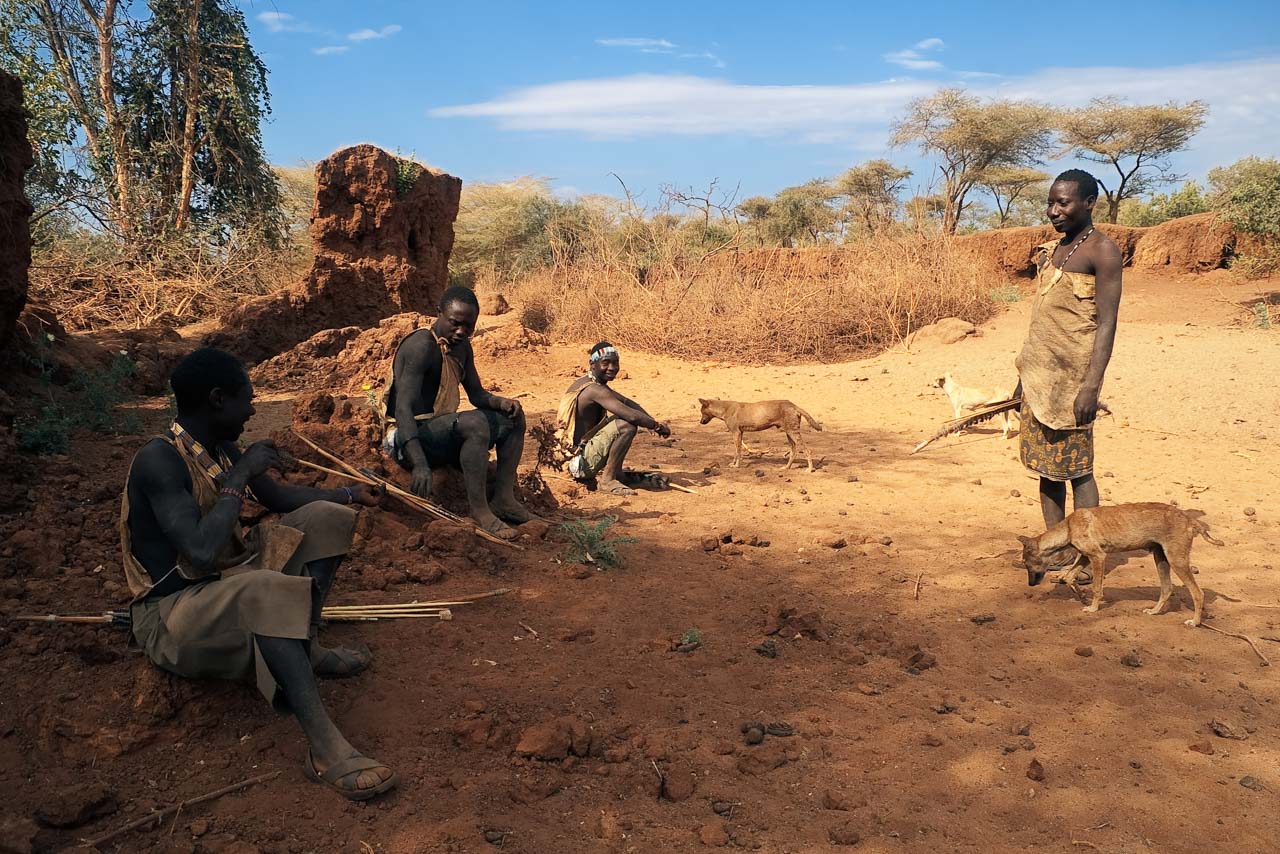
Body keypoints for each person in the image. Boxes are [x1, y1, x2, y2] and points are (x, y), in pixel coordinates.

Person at [120, 347, 396, 800]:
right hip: (173, 616)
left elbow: (280, 499)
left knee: (326, 519)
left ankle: (304, 649)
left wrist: (348, 492)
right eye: (247, 399)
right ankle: (326, 752)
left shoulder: (220, 446)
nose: (253, 408)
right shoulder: (160, 460)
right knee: (264, 588)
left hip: (225, 587)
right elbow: (203, 551)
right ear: (216, 400)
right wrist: (242, 473)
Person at [1013, 169, 1123, 580]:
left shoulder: (1103, 252)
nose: (1054, 211)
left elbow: (1107, 324)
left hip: (1073, 384)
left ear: (1090, 202)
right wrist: (1024, 378)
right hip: (1039, 381)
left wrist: (1091, 387)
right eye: (1051, 202)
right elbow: (1042, 324)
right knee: (1047, 470)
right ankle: (1055, 547)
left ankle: (1087, 556)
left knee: (1078, 472)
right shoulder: (1055, 250)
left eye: (1064, 203)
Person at [381, 286, 531, 539]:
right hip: (407, 439)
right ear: (438, 313)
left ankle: (504, 499)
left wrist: (502, 402)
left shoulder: (461, 347)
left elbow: (477, 394)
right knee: (474, 422)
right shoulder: (421, 346)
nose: (462, 331)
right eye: (455, 323)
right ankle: (480, 511)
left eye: (469, 326)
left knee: (514, 417)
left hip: (439, 431)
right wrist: (419, 464)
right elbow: (402, 408)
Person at [555, 341, 672, 496]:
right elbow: (630, 415)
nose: (612, 368)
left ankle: (617, 474)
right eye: (606, 363)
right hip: (576, 463)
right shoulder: (594, 390)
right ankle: (608, 480)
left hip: (575, 456)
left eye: (615, 363)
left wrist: (650, 420)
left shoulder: (591, 384)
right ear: (592, 364)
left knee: (622, 419)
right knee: (626, 425)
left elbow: (628, 402)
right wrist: (656, 426)